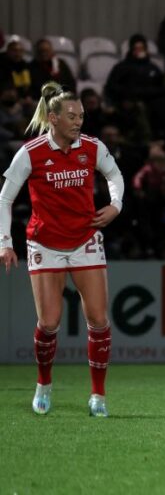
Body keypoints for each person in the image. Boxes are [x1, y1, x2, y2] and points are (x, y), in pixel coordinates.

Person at [0, 81, 124, 417]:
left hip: (85, 240)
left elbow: (114, 175)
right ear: (52, 118)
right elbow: (5, 198)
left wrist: (116, 205)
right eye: (71, 115)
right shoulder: (31, 152)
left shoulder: (92, 147)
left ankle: (98, 396)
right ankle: (43, 385)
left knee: (99, 320)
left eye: (81, 115)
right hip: (45, 243)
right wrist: (5, 243)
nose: (78, 121)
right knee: (50, 322)